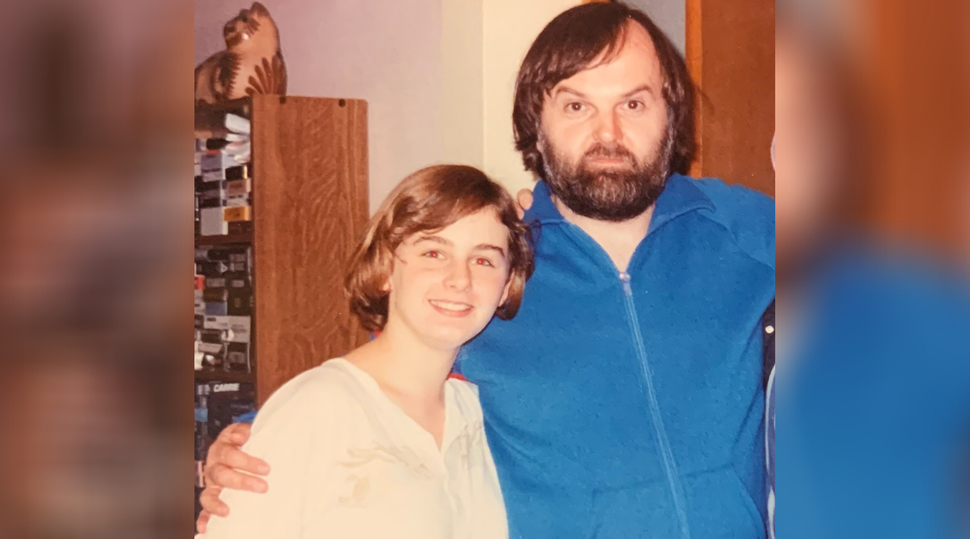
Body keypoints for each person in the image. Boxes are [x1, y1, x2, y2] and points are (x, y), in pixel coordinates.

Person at [200, 4, 775, 538]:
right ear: (536, 123)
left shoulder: (744, 230)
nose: (608, 134)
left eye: (633, 103)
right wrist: (255, 432)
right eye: (577, 105)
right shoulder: (494, 270)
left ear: (671, 115)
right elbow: (384, 375)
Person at [199, 165, 533, 539]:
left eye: (484, 259)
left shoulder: (477, 414)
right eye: (434, 253)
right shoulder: (317, 408)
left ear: (506, 286)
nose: (460, 278)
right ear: (385, 269)